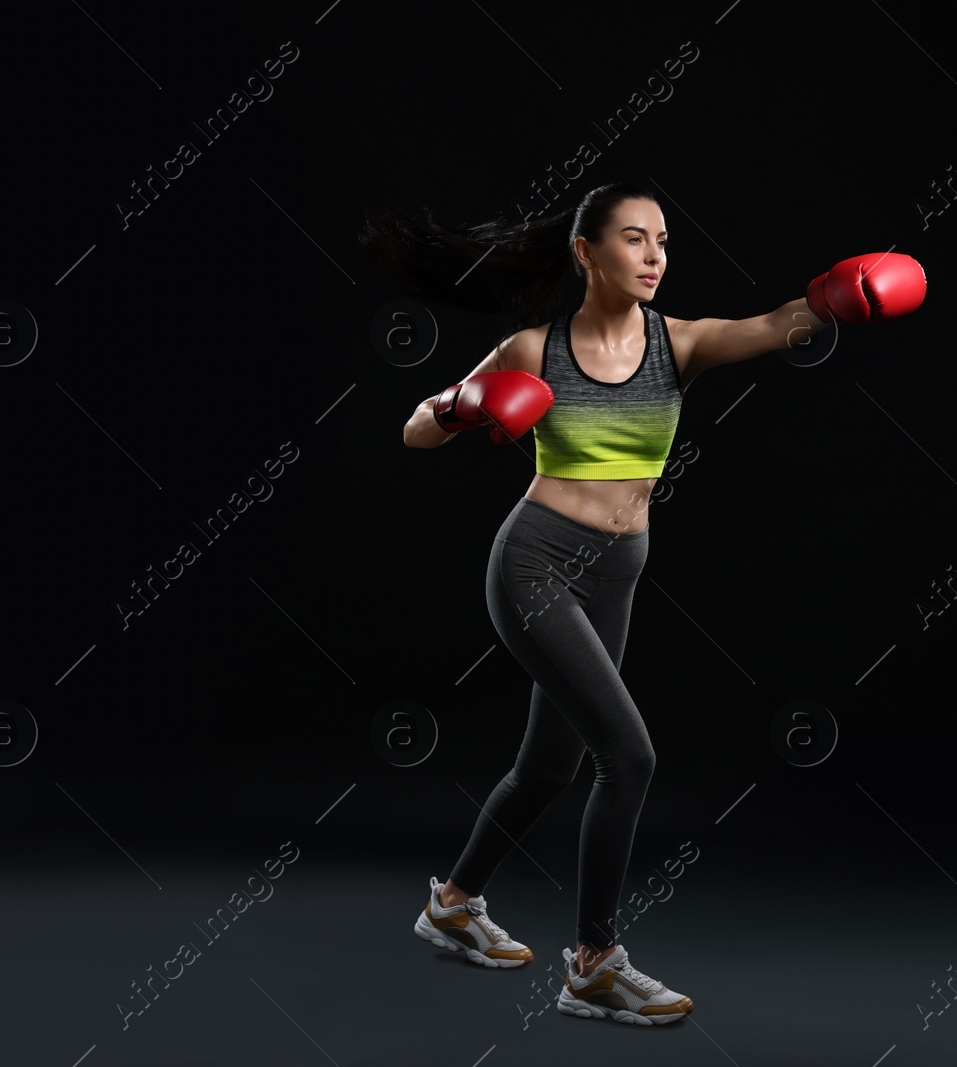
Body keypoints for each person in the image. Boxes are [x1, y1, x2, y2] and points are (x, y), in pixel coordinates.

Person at [360, 181, 925, 1026]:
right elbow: (413, 430)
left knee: (549, 765)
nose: (656, 255)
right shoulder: (529, 349)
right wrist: (461, 408)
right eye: (635, 238)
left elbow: (773, 328)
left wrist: (834, 302)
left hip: (618, 566)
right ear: (587, 252)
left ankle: (452, 902)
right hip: (536, 562)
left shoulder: (681, 343)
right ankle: (592, 964)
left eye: (663, 240)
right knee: (629, 756)